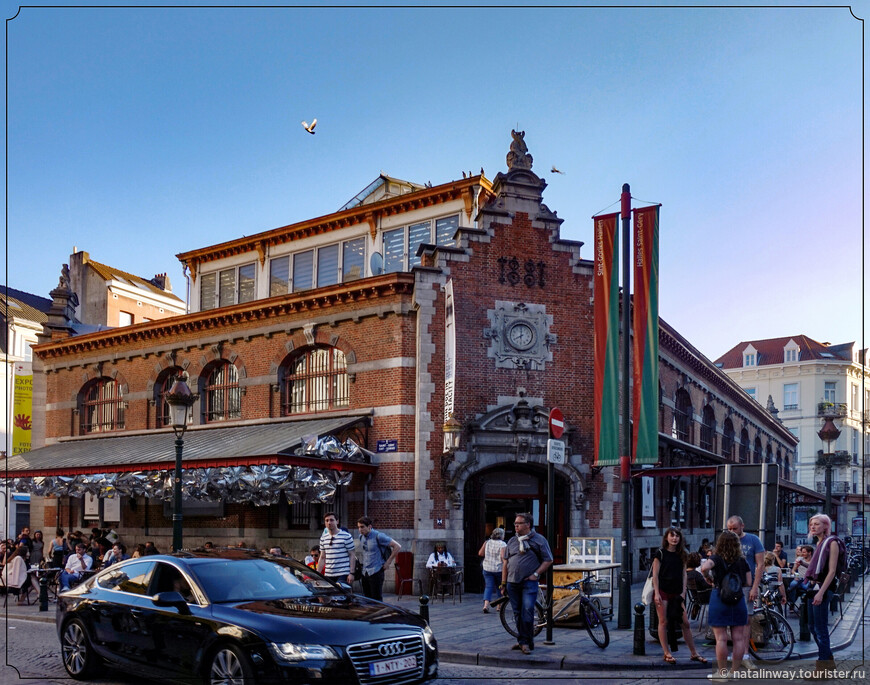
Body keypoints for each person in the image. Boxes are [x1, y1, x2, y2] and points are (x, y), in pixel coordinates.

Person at [699, 531, 751, 681]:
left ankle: (721, 673)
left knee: (721, 639)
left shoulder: (715, 558)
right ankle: (734, 673)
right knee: (738, 639)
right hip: (738, 599)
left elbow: (704, 568)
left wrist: (709, 578)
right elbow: (748, 581)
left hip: (719, 597)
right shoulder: (742, 560)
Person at [651, 527, 707, 666]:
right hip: (663, 591)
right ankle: (667, 652)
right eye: (672, 535)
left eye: (677, 536)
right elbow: (655, 575)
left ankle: (694, 653)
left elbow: (684, 574)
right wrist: (657, 593)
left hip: (676, 593)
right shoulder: (660, 553)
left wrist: (682, 592)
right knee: (663, 622)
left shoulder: (682, 554)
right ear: (666, 538)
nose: (674, 538)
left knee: (685, 623)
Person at [500, 512, 553, 655]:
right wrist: (503, 583)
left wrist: (536, 575)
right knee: (517, 613)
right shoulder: (511, 541)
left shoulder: (539, 540)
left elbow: (548, 559)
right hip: (512, 582)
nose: (516, 526)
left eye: (519, 523)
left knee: (528, 611)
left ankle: (525, 641)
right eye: (515, 524)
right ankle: (524, 641)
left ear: (528, 525)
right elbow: (506, 563)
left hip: (528, 582)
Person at [804, 513, 843, 674]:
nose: (813, 527)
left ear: (826, 526)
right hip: (813, 588)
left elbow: (832, 571)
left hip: (822, 589)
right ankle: (828, 659)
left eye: (817, 524)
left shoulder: (831, 542)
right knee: (812, 626)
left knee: (820, 628)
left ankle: (822, 668)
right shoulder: (819, 543)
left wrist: (821, 593)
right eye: (811, 524)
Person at [726, 515, 764, 670]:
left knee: (746, 621)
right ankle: (736, 653)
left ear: (742, 526)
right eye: (729, 529)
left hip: (747, 585)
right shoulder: (727, 540)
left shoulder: (753, 540)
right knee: (732, 621)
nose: (732, 532)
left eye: (734, 528)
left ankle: (746, 655)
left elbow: (760, 564)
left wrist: (755, 587)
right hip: (730, 585)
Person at [356, 516, 401, 601]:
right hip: (365, 571)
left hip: (376, 570)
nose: (360, 529)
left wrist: (388, 562)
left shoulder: (379, 536)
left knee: (376, 599)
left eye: (362, 527)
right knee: (367, 598)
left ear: (369, 526)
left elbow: (397, 546)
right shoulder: (361, 537)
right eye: (358, 527)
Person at [317, 512, 355, 585]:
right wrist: (317, 574)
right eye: (327, 520)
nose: (329, 523)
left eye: (331, 520)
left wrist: (352, 573)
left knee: (341, 595)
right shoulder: (323, 538)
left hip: (343, 573)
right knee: (329, 595)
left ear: (337, 521)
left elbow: (352, 555)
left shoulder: (346, 536)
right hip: (329, 573)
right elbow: (322, 557)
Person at [478, 527, 506, 613]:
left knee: (488, 586)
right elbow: (503, 557)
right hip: (498, 569)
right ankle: (499, 606)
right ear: (501, 535)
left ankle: (486, 605)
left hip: (487, 568)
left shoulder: (487, 542)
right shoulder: (503, 544)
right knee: (500, 587)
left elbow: (480, 553)